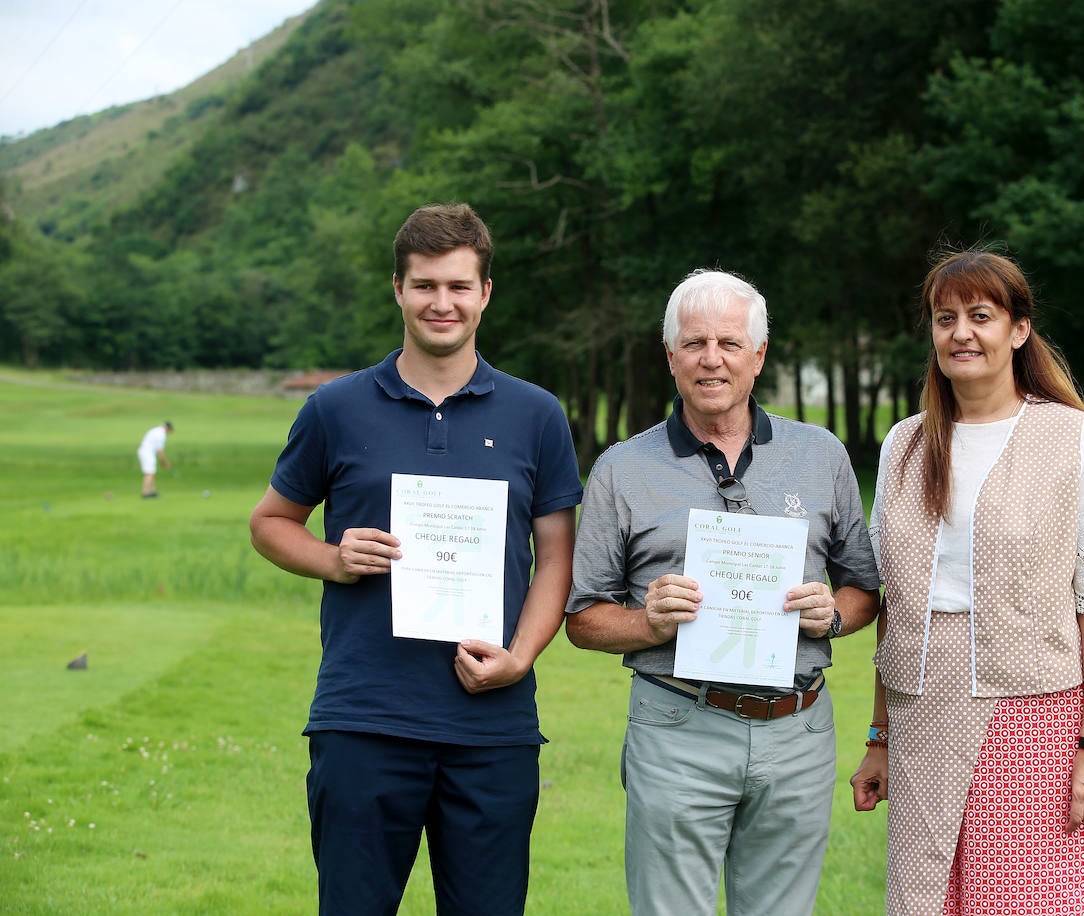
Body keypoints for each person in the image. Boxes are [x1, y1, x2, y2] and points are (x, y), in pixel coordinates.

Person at [248, 203, 583, 915]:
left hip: (492, 727)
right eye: (425, 285)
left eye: (459, 286)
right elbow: (271, 523)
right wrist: (333, 559)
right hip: (364, 717)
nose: (442, 303)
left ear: (486, 293)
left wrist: (520, 657)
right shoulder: (335, 408)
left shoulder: (536, 415)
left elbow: (557, 558)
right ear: (397, 289)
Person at [565, 268, 881, 916]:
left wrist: (833, 615)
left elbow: (864, 589)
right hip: (679, 723)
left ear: (758, 355)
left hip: (798, 729)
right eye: (695, 342)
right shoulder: (622, 468)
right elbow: (583, 618)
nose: (712, 359)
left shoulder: (819, 455)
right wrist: (649, 623)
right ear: (671, 355)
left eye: (730, 343)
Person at [850, 247, 1084, 915]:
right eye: (945, 318)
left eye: (981, 315)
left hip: (1033, 715)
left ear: (1019, 329)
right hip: (921, 715)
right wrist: (879, 738)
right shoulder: (905, 445)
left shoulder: (1075, 439)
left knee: (1029, 898)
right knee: (926, 899)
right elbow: (897, 609)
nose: (961, 333)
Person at [137, 421, 173, 498]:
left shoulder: (157, 430)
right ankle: (146, 493)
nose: (169, 432)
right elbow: (160, 451)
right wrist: (165, 462)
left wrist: (163, 462)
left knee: (152, 473)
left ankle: (151, 491)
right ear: (167, 428)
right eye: (169, 430)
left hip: (147, 452)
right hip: (146, 452)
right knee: (149, 473)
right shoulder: (161, 434)